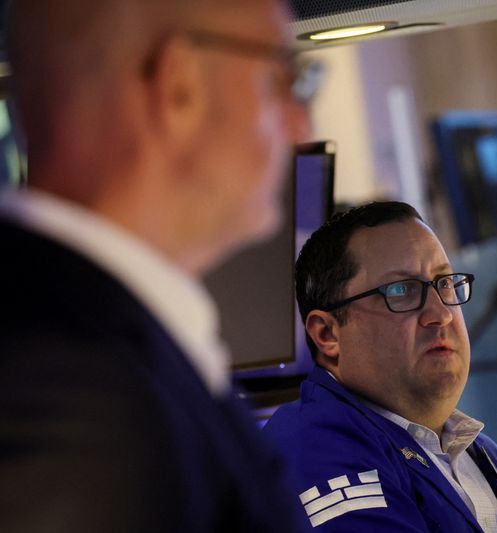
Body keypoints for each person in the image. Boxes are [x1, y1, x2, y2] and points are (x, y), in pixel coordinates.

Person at [0, 0, 313, 531]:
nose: (301, 126)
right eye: (280, 77)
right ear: (180, 85)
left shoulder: (88, 343)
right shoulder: (76, 406)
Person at [264, 201, 497, 532]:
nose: (441, 314)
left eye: (445, 283)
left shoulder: (485, 457)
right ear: (328, 334)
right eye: (401, 291)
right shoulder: (315, 451)